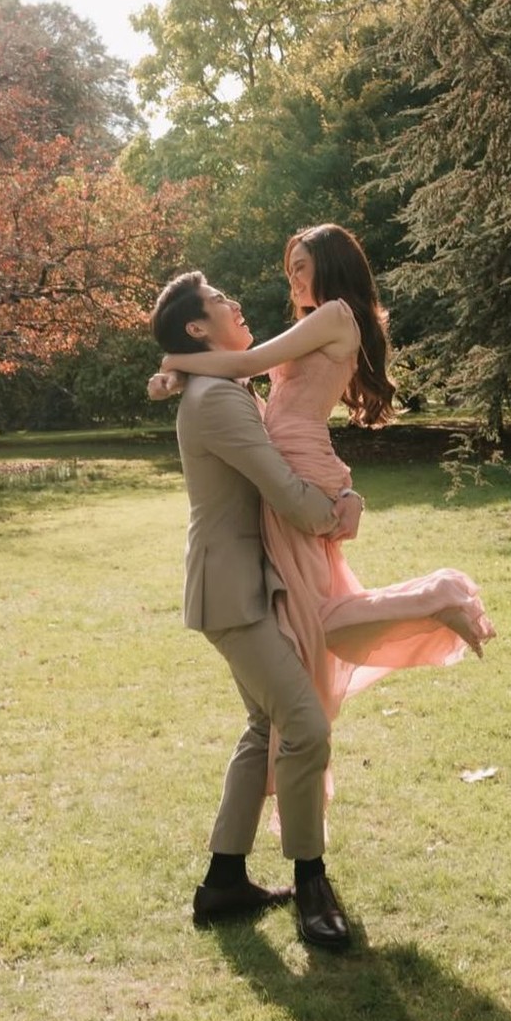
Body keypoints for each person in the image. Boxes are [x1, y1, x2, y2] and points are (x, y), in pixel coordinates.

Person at [155, 224, 495, 778]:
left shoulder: (335, 314)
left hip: (300, 468)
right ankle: (432, 603)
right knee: (315, 616)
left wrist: (176, 361)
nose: (293, 278)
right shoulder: (320, 322)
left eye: (302, 266)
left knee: (317, 617)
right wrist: (174, 374)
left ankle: (439, 596)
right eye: (290, 268)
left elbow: (241, 366)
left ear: (333, 266)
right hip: (297, 462)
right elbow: (246, 380)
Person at [150, 269, 361, 951]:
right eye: (218, 301)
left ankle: (224, 879)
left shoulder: (215, 385)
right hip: (232, 589)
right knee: (304, 726)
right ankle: (311, 882)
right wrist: (340, 513)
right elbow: (280, 487)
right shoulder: (219, 399)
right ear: (195, 327)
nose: (234, 303)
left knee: (263, 724)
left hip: (234, 583)